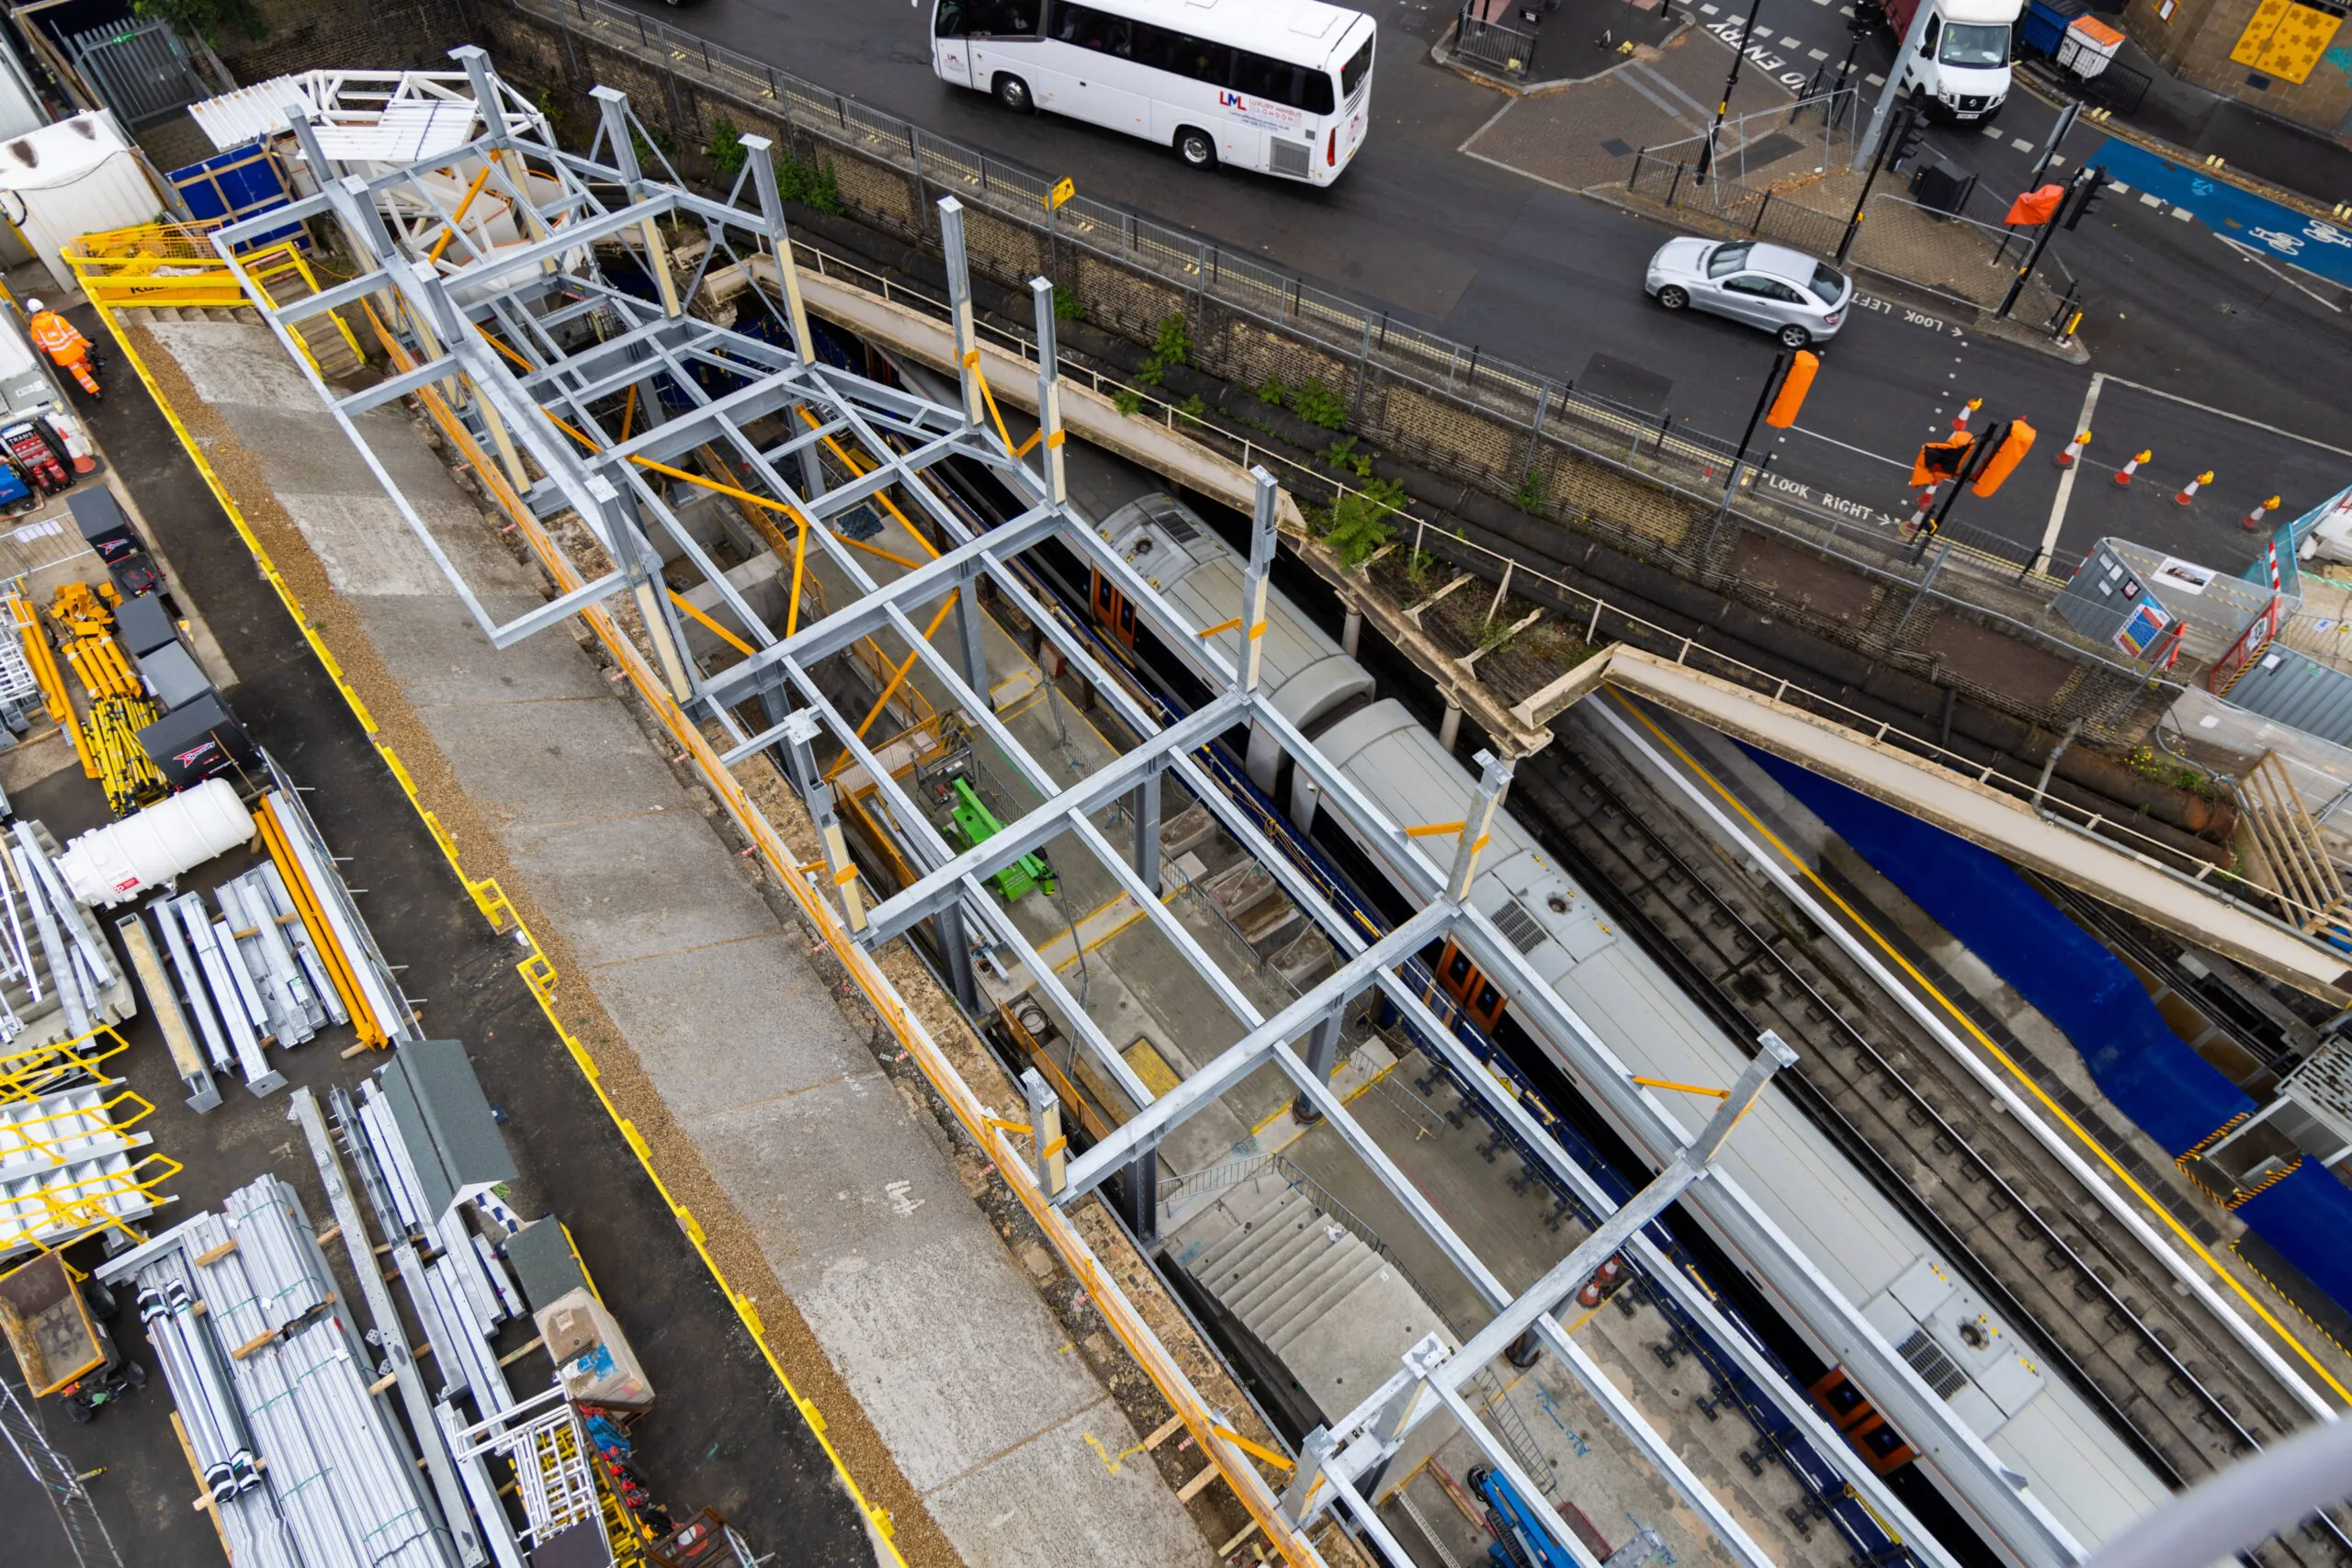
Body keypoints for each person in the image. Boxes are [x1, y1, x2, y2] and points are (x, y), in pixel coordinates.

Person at [24, 299, 100, 399]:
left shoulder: (35, 327)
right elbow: (73, 333)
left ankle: (94, 391)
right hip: (73, 348)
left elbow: (40, 343)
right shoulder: (57, 319)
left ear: (32, 312)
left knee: (78, 373)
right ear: (43, 307)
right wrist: (85, 343)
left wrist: (44, 350)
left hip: (61, 354)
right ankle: (88, 368)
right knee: (82, 360)